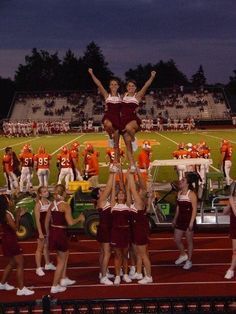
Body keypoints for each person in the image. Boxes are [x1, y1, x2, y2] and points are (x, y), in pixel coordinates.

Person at [45, 184, 85, 294]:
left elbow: (47, 220)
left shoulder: (52, 204)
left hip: (53, 232)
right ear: (63, 193)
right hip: (61, 233)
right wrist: (80, 218)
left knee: (64, 254)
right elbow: (71, 222)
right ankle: (54, 286)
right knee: (61, 261)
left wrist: (47, 234)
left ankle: (63, 279)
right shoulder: (65, 205)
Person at [120, 71, 156, 170]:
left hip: (133, 120)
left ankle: (133, 138)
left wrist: (152, 77)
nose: (130, 87)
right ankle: (132, 165)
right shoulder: (124, 96)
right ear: (127, 87)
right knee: (127, 145)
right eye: (129, 86)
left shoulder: (138, 95)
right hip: (123, 120)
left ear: (135, 88)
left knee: (128, 129)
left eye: (132, 86)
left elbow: (146, 85)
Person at [0, 194, 34, 296]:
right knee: (20, 263)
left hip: (7, 239)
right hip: (11, 240)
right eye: (9, 199)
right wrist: (18, 216)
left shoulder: (5, 213)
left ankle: (2, 283)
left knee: (12, 263)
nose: (11, 201)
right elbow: (16, 229)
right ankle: (21, 288)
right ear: (6, 203)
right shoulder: (7, 214)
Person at [88, 68, 121, 163]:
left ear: (118, 86)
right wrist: (92, 73)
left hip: (117, 118)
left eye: (115, 84)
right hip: (109, 116)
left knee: (116, 143)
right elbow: (99, 84)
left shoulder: (121, 97)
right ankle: (110, 136)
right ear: (109, 86)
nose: (113, 86)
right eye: (112, 84)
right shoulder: (107, 95)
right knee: (107, 124)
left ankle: (116, 161)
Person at [91, 168, 116, 285]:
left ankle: (103, 272)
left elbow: (112, 199)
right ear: (98, 194)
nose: (103, 190)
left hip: (104, 228)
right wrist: (111, 173)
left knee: (102, 252)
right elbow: (109, 187)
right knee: (107, 253)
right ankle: (104, 277)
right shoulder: (101, 200)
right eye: (100, 190)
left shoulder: (102, 201)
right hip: (105, 228)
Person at [128, 169, 153, 284]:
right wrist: (136, 173)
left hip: (140, 230)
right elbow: (131, 190)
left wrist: (130, 175)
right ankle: (138, 272)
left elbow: (133, 188)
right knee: (139, 253)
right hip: (136, 229)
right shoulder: (135, 202)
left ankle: (148, 276)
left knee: (143, 254)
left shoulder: (139, 201)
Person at [110, 169, 132, 285]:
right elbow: (113, 189)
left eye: (123, 194)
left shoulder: (128, 205)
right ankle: (118, 275)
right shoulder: (113, 205)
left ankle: (126, 274)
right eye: (120, 194)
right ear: (117, 196)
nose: (121, 195)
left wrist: (128, 176)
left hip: (126, 231)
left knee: (125, 255)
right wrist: (114, 176)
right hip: (116, 232)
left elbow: (128, 189)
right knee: (118, 255)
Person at [172, 173, 198, 270]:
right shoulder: (179, 193)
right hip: (180, 220)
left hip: (188, 220)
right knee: (177, 239)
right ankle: (183, 254)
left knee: (189, 241)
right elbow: (178, 207)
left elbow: (195, 209)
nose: (180, 181)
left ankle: (189, 260)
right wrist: (175, 218)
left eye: (183, 180)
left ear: (187, 184)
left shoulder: (191, 194)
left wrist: (191, 222)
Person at [34, 186, 56, 277]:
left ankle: (47, 264)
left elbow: (51, 218)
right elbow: (37, 220)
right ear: (40, 194)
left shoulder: (50, 202)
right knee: (39, 249)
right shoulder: (38, 204)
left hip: (48, 228)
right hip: (42, 229)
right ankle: (38, 268)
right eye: (44, 192)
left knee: (46, 247)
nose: (46, 192)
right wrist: (40, 232)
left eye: (46, 191)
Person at [224, 182, 236, 279]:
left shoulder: (232, 200)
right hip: (234, 227)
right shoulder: (232, 199)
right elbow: (225, 212)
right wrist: (229, 205)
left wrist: (232, 203)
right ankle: (231, 270)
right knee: (235, 251)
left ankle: (231, 269)